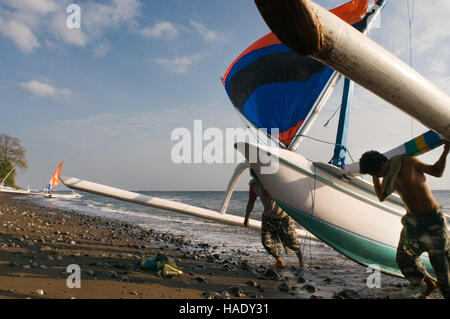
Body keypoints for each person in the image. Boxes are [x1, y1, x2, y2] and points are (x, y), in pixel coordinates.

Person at [359, 141, 450, 299]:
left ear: (382, 164)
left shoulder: (408, 162)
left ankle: (440, 287)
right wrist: (375, 178)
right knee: (404, 259)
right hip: (412, 224)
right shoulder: (388, 176)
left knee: (442, 271)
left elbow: (436, 172)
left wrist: (446, 151)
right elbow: (381, 197)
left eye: (376, 173)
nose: (379, 177)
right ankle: (429, 283)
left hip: (433, 222)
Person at [244, 168, 304, 272]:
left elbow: (291, 193)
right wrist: (246, 217)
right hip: (268, 217)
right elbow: (251, 202)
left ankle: (301, 262)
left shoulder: (274, 180)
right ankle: (280, 261)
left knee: (292, 241)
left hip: (284, 216)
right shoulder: (254, 185)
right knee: (266, 242)